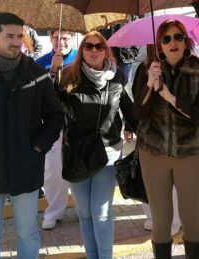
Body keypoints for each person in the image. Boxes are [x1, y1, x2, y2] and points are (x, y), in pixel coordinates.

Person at [0, 12, 63, 259]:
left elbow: (56, 116)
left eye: (19, 36)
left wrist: (38, 148)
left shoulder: (36, 73)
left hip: (26, 168)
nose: (17, 42)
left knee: (28, 234)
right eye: (9, 36)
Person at [133, 19, 199, 259]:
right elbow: (138, 113)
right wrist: (149, 84)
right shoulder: (147, 68)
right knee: (161, 220)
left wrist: (171, 98)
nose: (173, 43)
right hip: (153, 152)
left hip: (191, 152)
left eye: (178, 37)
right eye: (166, 39)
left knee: (191, 218)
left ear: (185, 41)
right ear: (160, 44)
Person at [58, 30, 136, 259]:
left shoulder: (118, 77)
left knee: (101, 213)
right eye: (88, 46)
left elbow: (132, 111)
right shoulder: (67, 76)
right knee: (84, 213)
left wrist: (150, 86)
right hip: (76, 154)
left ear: (106, 51)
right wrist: (53, 73)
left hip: (107, 152)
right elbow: (52, 109)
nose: (93, 50)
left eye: (98, 46)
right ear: (82, 50)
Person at [129, 45, 181, 237]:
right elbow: (137, 103)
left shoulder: (181, 69)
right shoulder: (144, 70)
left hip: (174, 134)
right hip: (149, 133)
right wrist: (150, 82)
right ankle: (152, 216)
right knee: (149, 179)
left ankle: (174, 219)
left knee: (172, 181)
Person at [36, 30, 78, 230]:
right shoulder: (41, 62)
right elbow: (35, 92)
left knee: (79, 165)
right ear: (50, 39)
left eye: (65, 37)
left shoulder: (82, 57)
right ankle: (54, 210)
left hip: (78, 122)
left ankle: (83, 207)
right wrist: (52, 71)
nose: (60, 41)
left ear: (72, 39)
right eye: (55, 37)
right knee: (53, 170)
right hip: (52, 123)